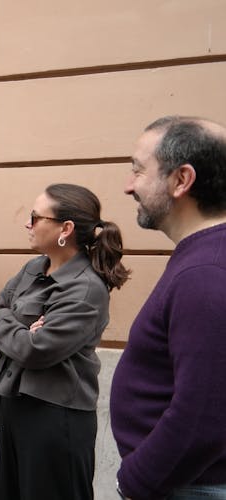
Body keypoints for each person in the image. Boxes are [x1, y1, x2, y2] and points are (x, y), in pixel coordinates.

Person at [0, 183, 130, 500]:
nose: (27, 224)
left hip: (55, 417)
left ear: (65, 229)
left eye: (36, 217)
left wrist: (14, 328)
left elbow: (35, 350)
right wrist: (21, 328)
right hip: (14, 407)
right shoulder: (33, 267)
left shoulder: (86, 288)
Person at [111, 116, 226, 499]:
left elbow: (205, 414)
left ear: (181, 180)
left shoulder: (207, 272)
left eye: (138, 170)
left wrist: (136, 481)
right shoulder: (205, 257)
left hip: (190, 488)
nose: (129, 186)